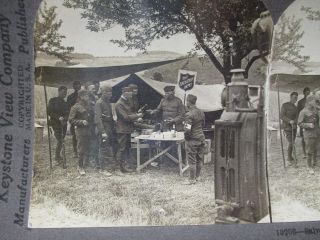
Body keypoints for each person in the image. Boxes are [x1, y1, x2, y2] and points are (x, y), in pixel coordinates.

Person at [115, 87, 143, 173]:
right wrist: (137, 116)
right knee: (121, 149)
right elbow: (125, 117)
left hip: (127, 129)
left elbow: (129, 114)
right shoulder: (119, 104)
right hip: (122, 129)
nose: (131, 95)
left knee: (126, 148)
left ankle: (125, 167)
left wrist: (135, 118)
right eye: (130, 93)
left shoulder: (125, 102)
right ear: (124, 93)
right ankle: (117, 169)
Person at [69, 89, 94, 175]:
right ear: (81, 97)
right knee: (81, 149)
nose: (87, 97)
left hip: (89, 129)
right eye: (86, 95)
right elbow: (71, 119)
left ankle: (86, 164)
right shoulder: (75, 107)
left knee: (88, 147)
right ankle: (80, 167)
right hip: (80, 130)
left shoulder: (89, 106)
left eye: (88, 95)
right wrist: (81, 122)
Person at [183, 94, 206, 185]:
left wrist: (187, 138)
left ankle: (191, 179)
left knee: (191, 160)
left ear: (188, 102)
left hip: (193, 139)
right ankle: (197, 177)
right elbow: (203, 124)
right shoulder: (201, 112)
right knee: (199, 159)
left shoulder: (189, 114)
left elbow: (187, 129)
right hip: (201, 138)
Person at [95, 86, 116, 176]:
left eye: (111, 93)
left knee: (107, 147)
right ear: (103, 93)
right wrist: (103, 132)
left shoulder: (107, 102)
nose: (110, 95)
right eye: (109, 93)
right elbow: (98, 119)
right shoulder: (99, 103)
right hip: (103, 128)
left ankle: (107, 167)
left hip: (109, 127)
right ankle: (102, 169)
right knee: (103, 148)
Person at [298, 95, 320, 174]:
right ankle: (309, 166)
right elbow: (299, 123)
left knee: (316, 148)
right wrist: (308, 125)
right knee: (309, 150)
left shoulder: (315, 110)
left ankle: (315, 162)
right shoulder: (303, 112)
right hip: (309, 134)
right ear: (310, 102)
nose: (316, 102)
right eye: (314, 101)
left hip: (317, 132)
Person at [47, 86, 69, 164]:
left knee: (61, 140)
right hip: (55, 123)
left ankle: (58, 156)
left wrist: (65, 120)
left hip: (63, 124)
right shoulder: (52, 101)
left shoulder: (65, 103)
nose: (64, 94)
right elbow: (49, 112)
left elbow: (67, 113)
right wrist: (58, 117)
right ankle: (57, 156)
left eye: (65, 93)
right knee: (60, 140)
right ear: (59, 91)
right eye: (63, 92)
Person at [280, 92, 298, 166]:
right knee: (291, 143)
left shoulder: (295, 107)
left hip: (293, 127)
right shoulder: (285, 105)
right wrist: (289, 120)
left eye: (296, 98)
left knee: (292, 142)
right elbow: (281, 116)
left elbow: (297, 117)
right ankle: (289, 158)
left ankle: (290, 157)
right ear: (290, 97)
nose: (295, 99)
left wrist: (295, 122)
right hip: (287, 127)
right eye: (294, 97)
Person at [67, 81, 82, 158]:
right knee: (74, 136)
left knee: (83, 135)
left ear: (80, 86)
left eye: (78, 85)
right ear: (73, 87)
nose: (77, 87)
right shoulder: (70, 97)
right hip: (74, 118)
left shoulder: (84, 95)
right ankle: (75, 152)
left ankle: (82, 151)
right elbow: (68, 109)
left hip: (83, 117)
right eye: (75, 85)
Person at [297, 87, 311, 156]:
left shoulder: (312, 101)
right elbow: (298, 112)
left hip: (311, 122)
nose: (308, 94)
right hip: (303, 122)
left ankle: (309, 152)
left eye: (309, 92)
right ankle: (304, 152)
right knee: (303, 137)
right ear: (304, 93)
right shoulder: (300, 102)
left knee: (310, 137)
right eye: (306, 92)